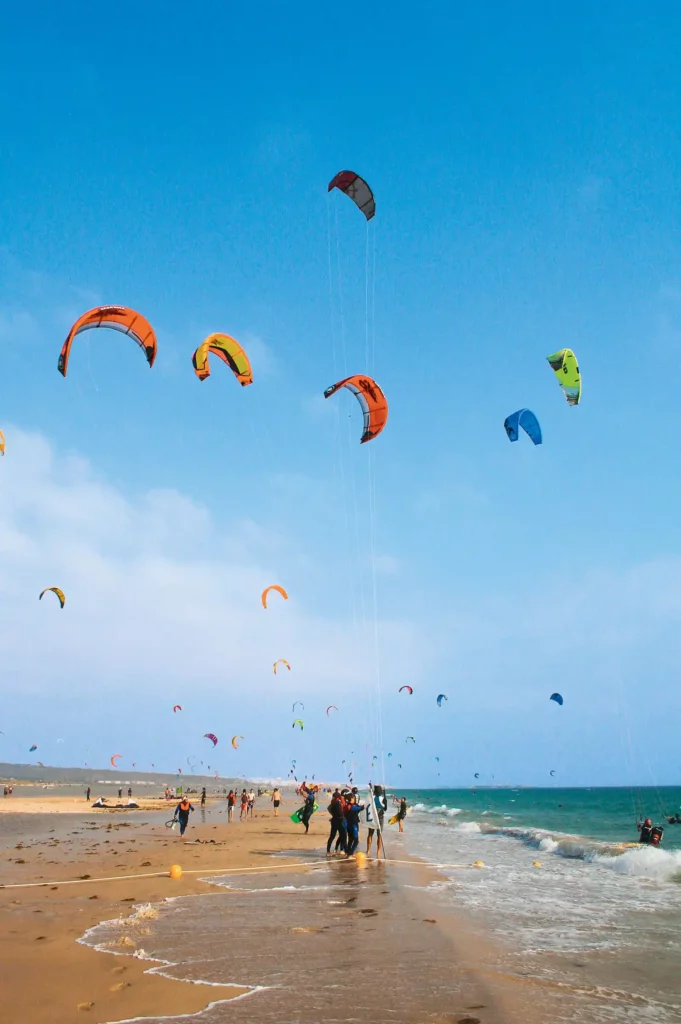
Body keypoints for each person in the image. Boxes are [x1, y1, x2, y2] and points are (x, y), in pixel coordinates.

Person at [366, 784, 387, 857]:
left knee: (370, 834)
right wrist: (385, 799)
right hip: (380, 818)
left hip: (372, 818)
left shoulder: (372, 798)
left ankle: (368, 850)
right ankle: (378, 852)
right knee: (379, 835)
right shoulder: (383, 799)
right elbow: (385, 809)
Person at [327, 789, 347, 856]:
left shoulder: (333, 803)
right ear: (339, 797)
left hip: (334, 821)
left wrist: (333, 815)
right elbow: (341, 813)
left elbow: (328, 808)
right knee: (343, 836)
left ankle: (328, 851)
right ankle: (346, 852)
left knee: (332, 836)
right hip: (340, 821)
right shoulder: (339, 803)